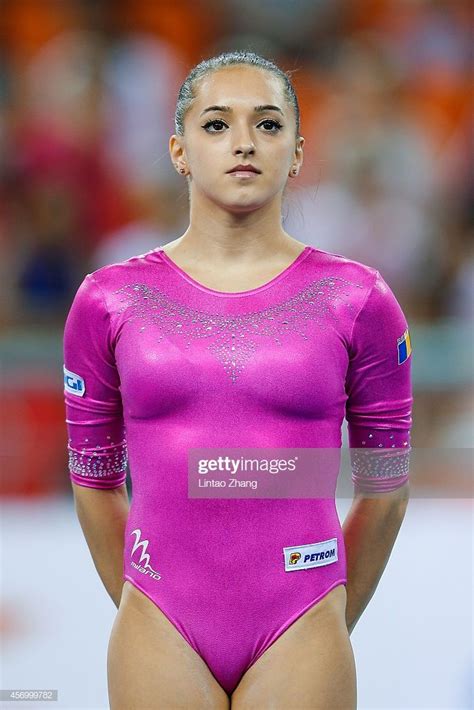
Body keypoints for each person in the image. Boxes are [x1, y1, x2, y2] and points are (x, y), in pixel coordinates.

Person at [63, 50, 413, 709]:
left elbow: (385, 490)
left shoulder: (358, 300)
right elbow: (94, 484)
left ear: (300, 152)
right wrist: (149, 598)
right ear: (178, 150)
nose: (245, 142)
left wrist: (326, 609)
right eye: (217, 124)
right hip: (158, 623)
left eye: (269, 125)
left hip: (303, 620)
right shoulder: (109, 301)